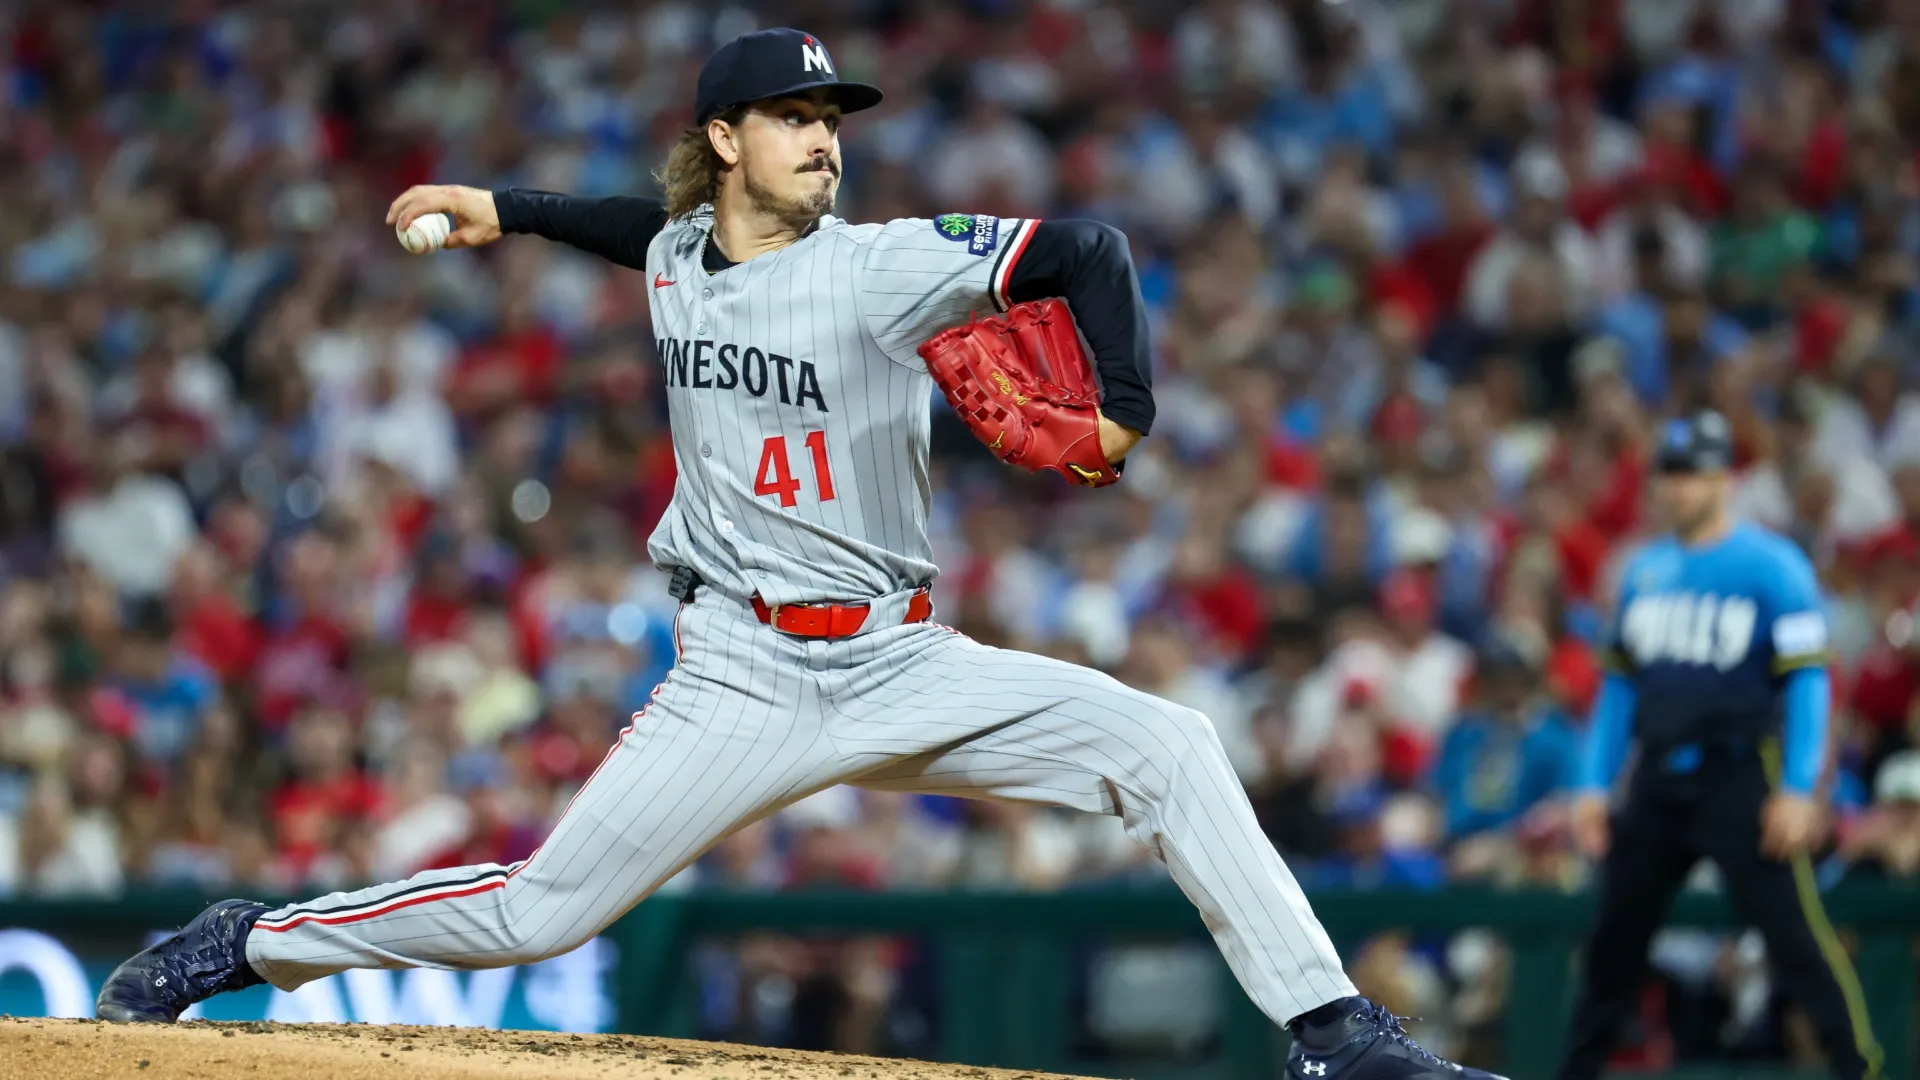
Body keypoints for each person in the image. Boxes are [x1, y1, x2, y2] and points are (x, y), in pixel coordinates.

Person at [93, 28, 1496, 1080]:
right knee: (535, 915)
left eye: (832, 119)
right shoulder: (676, 254)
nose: (825, 138)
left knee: (1174, 743)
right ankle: (251, 941)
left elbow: (1091, 248)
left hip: (899, 655)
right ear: (723, 140)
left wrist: (1120, 416)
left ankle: (1330, 1034)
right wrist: (502, 209)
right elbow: (640, 233)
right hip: (740, 675)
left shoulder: (885, 261)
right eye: (792, 117)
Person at [1558, 410, 1881, 1080]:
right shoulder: (1644, 570)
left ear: (1725, 479)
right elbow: (1619, 690)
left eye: (1693, 473)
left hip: (1739, 774)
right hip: (1656, 780)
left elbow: (1808, 682)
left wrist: (1798, 787)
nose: (1678, 487)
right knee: (1613, 948)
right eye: (1670, 473)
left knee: (1794, 940)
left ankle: (1863, 1069)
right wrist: (1593, 785)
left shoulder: (1772, 566)